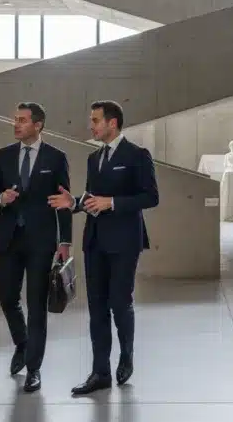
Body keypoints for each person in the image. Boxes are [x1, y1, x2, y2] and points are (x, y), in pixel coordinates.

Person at [48, 100, 159, 395]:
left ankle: (126, 354)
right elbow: (92, 198)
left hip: (124, 241)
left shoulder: (137, 155)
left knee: (119, 303)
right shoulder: (93, 158)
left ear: (112, 123)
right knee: (97, 309)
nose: (91, 126)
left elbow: (150, 197)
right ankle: (100, 373)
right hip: (94, 241)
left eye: (95, 120)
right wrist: (74, 203)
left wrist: (113, 202)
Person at [0, 102, 72, 393]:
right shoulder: (3, 155)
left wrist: (65, 241)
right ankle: (22, 345)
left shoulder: (56, 157)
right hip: (9, 239)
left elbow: (63, 201)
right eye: (15, 120)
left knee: (37, 305)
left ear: (38, 125)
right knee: (6, 297)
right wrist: (1, 198)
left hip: (41, 241)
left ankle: (34, 368)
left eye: (22, 120)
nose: (16, 124)